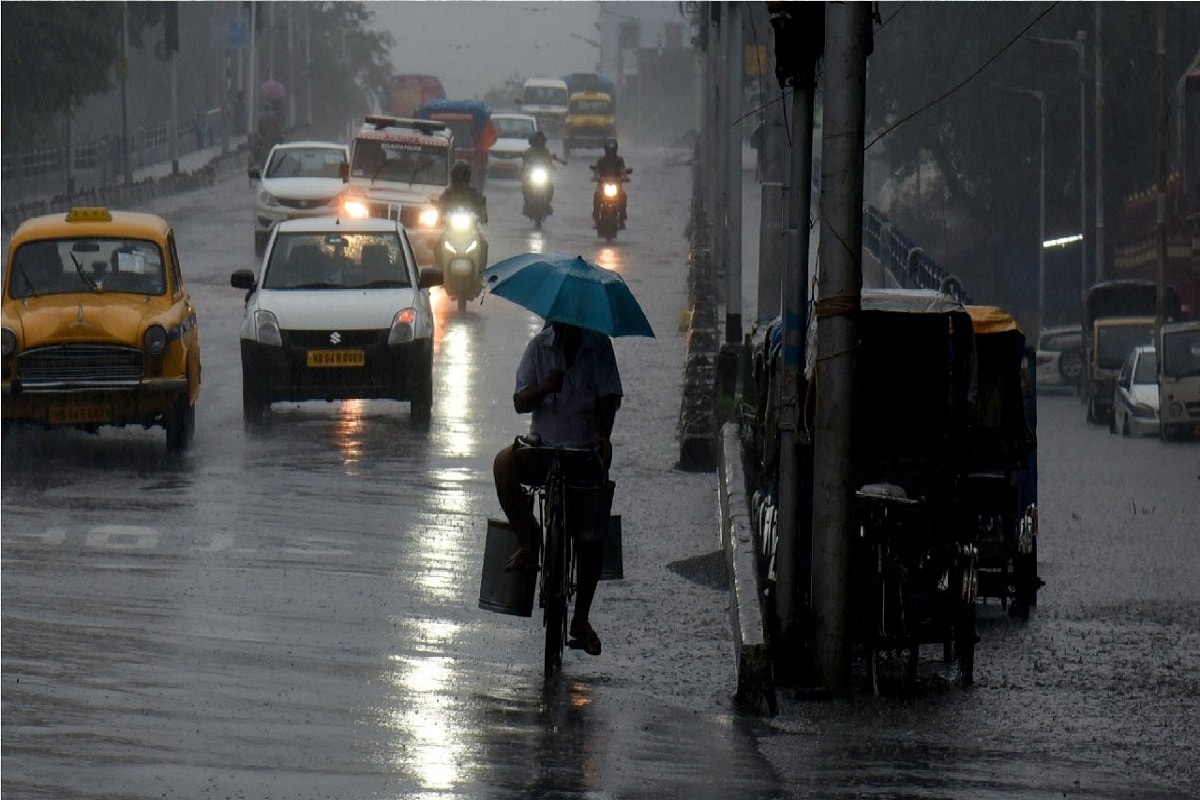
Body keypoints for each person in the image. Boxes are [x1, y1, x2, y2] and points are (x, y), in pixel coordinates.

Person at [493, 321, 623, 657]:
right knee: (503, 463)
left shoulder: (599, 348)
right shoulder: (538, 347)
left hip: (583, 452)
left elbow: (610, 397)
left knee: (591, 534)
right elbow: (520, 401)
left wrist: (603, 436)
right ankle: (529, 539)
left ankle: (580, 618)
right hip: (543, 448)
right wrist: (544, 388)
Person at [438, 160, 489, 266]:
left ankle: (481, 272)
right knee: (437, 243)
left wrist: (483, 215)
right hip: (450, 231)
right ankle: (440, 270)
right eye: (458, 176)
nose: (461, 179)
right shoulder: (447, 194)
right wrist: (439, 216)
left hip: (471, 231)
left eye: (463, 176)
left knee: (484, 244)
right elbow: (440, 208)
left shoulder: (473, 194)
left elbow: (482, 208)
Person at [521, 131, 566, 216]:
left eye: (541, 140)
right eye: (538, 140)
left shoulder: (546, 151)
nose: (540, 142)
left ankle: (547, 204)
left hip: (544, 176)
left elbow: (550, 161)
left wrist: (552, 165)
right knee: (525, 187)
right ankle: (527, 204)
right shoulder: (529, 151)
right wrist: (525, 168)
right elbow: (525, 161)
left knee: (550, 187)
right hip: (531, 175)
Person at [591, 138, 628, 228]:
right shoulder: (601, 160)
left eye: (612, 150)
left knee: (623, 196)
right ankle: (596, 218)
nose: (611, 152)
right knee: (596, 196)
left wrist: (625, 177)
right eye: (609, 150)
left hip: (617, 186)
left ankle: (622, 218)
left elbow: (623, 171)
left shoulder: (619, 160)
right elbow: (597, 171)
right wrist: (596, 177)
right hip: (602, 186)